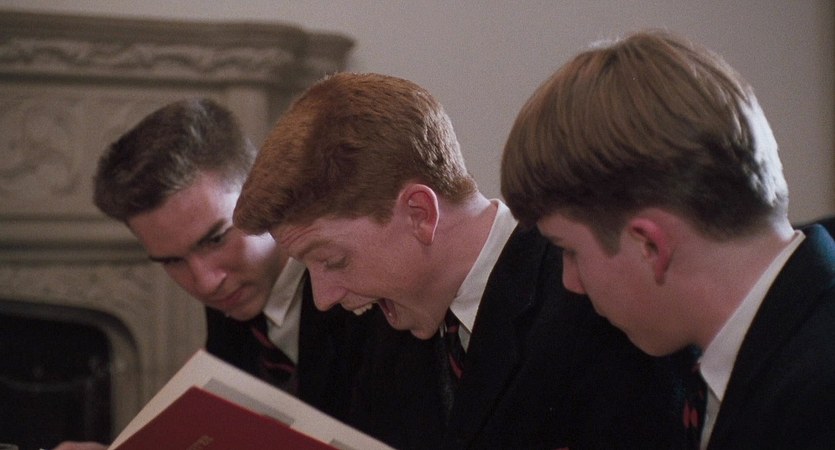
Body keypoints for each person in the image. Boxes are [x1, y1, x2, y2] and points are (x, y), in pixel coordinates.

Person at [233, 72, 684, 449]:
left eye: (333, 260)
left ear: (420, 213)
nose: (323, 298)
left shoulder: (593, 298)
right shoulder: (383, 328)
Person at [500, 30, 835, 449]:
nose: (570, 283)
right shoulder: (767, 351)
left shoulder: (816, 400)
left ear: (649, 245)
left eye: (569, 250)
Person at [55, 98, 445, 450]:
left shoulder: (365, 287)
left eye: (215, 239)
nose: (205, 283)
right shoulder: (233, 300)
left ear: (260, 194)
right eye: (172, 261)